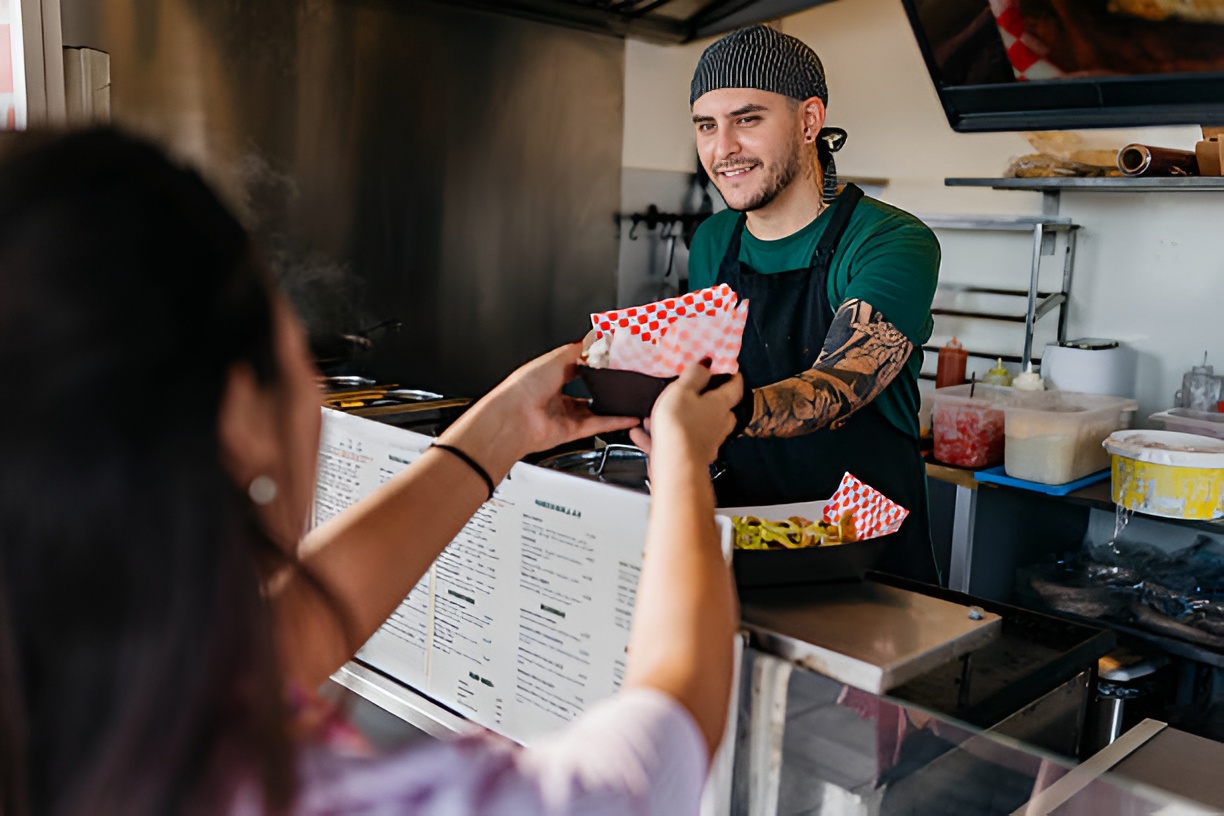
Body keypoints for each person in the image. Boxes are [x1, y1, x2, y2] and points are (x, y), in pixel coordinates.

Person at [0, 128, 742, 815]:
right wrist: (682, 461)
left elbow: (279, 636)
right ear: (240, 415)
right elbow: (656, 758)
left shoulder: (76, 699)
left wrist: (502, 430)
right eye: (294, 343)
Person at [684, 24, 940, 584]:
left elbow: (844, 383)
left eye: (747, 119)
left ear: (808, 121)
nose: (722, 148)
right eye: (707, 125)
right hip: (738, 528)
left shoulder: (889, 240)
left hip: (862, 543)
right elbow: (701, 370)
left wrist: (715, 416)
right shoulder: (711, 241)